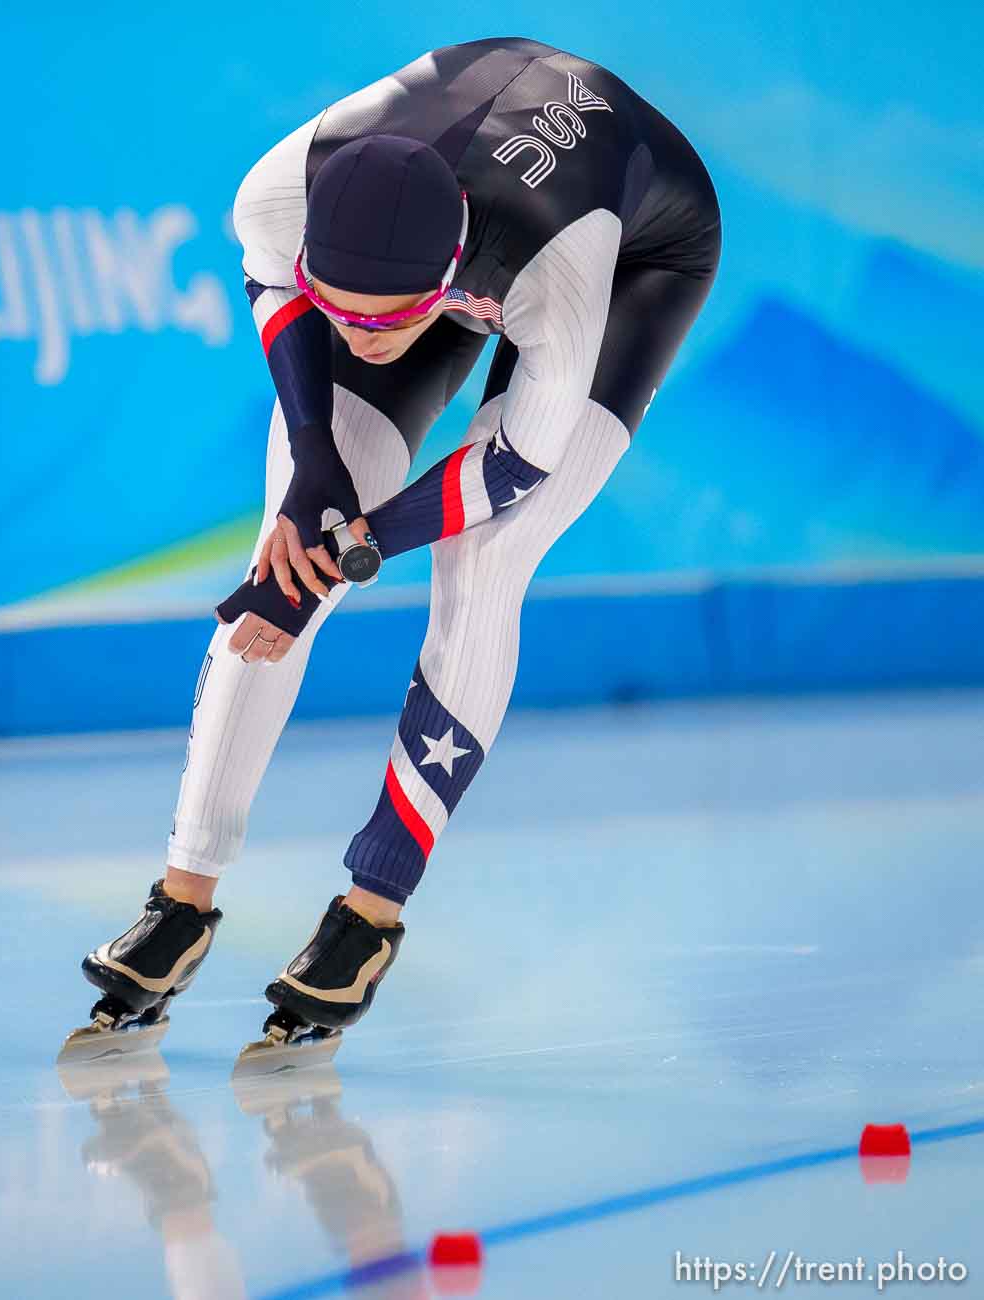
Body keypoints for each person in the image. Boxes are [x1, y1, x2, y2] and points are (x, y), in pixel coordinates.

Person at [76, 37, 721, 1047]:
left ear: (449, 285)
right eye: (347, 314)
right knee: (279, 559)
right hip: (455, 216)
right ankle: (181, 896)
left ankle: (371, 911)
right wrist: (316, 481)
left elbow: (511, 469)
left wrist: (357, 541)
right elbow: (278, 294)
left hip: (634, 245)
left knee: (487, 560)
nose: (370, 336)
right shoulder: (275, 197)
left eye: (396, 321)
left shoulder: (557, 259)